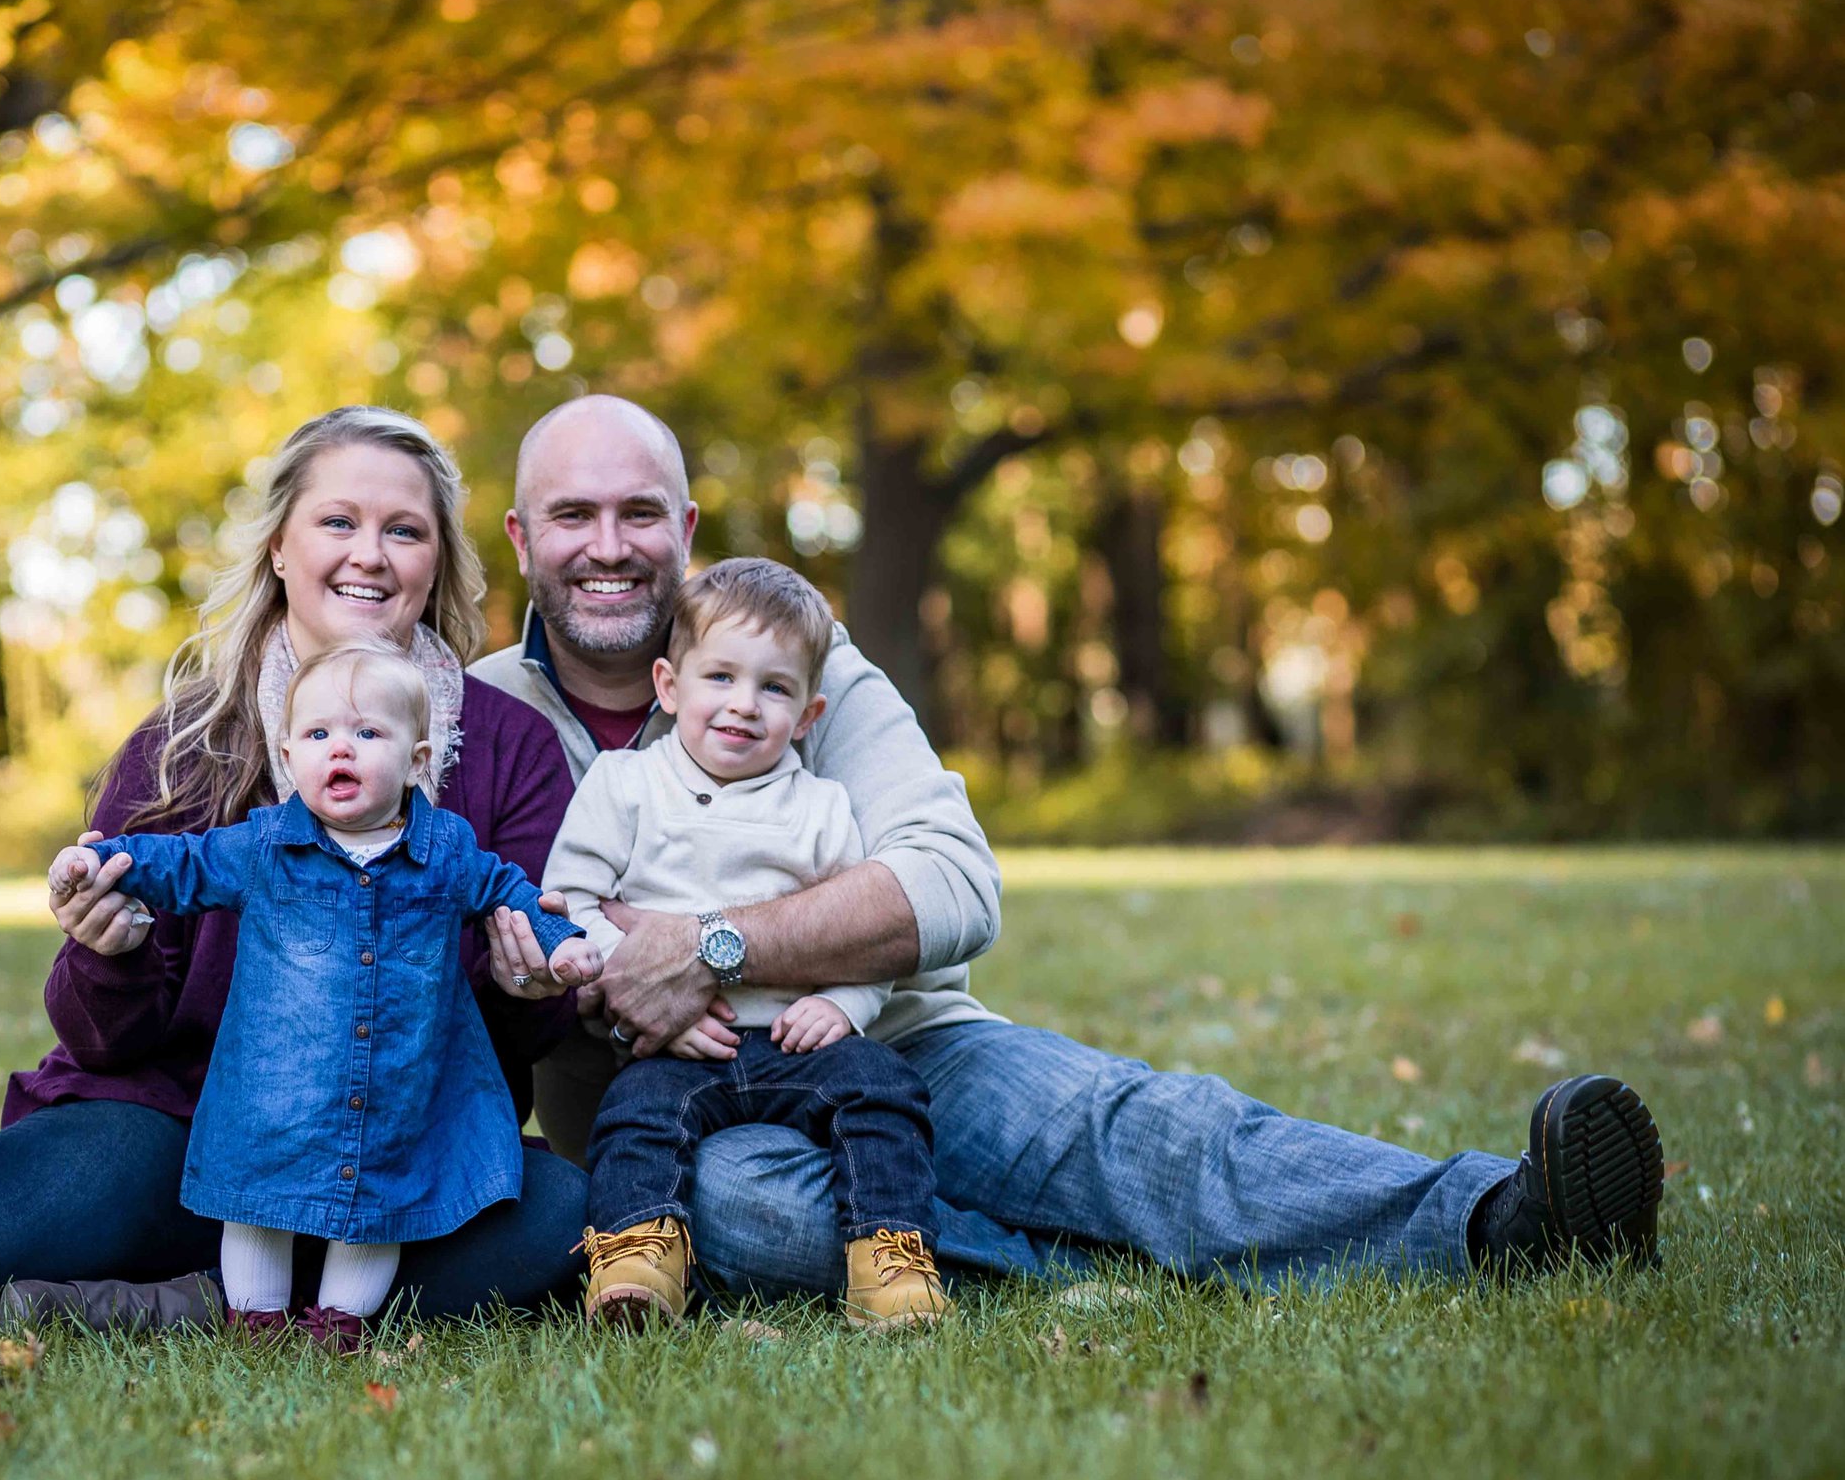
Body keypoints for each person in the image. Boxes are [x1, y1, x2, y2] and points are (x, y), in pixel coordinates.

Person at [475, 394, 1665, 1296]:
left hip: (896, 1039)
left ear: (682, 527)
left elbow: (951, 883)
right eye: (573, 515)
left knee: (1119, 1120)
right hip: (675, 1113)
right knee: (757, 1215)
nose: (608, 544)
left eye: (638, 512)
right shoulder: (476, 713)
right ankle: (1080, 1246)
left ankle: (1499, 1218)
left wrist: (711, 944)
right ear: (524, 537)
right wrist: (598, 969)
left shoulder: (796, 659)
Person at [0, 406, 592, 1332]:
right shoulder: (183, 743)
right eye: (338, 520)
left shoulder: (504, 747)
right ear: (280, 548)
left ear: (440, 562)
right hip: (172, 1128)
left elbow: (534, 997)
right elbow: (95, 1030)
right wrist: (107, 951)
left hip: (390, 1148)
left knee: (549, 1208)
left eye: (405, 530)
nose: (369, 553)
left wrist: (528, 978)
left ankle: (190, 1305)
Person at [53, 641, 597, 1352]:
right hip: (273, 1093)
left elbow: (513, 893)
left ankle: (338, 1322)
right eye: (318, 735)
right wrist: (98, 861)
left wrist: (559, 940)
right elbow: (177, 863)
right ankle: (255, 1316)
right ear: (288, 757)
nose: (340, 748)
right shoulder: (265, 845)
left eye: (368, 733)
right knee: (253, 1200)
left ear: (418, 760)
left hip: (399, 1093)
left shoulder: (449, 852)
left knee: (381, 1205)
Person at [544, 559, 950, 1330]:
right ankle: (636, 1260)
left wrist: (844, 1004)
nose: (742, 705)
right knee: (634, 1112)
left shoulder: (822, 807)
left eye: (774, 687)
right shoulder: (624, 783)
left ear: (807, 713)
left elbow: (870, 945)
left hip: (797, 1042)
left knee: (884, 1087)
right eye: (720, 677)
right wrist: (637, 989)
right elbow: (572, 903)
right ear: (669, 685)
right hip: (678, 1045)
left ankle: (890, 1256)